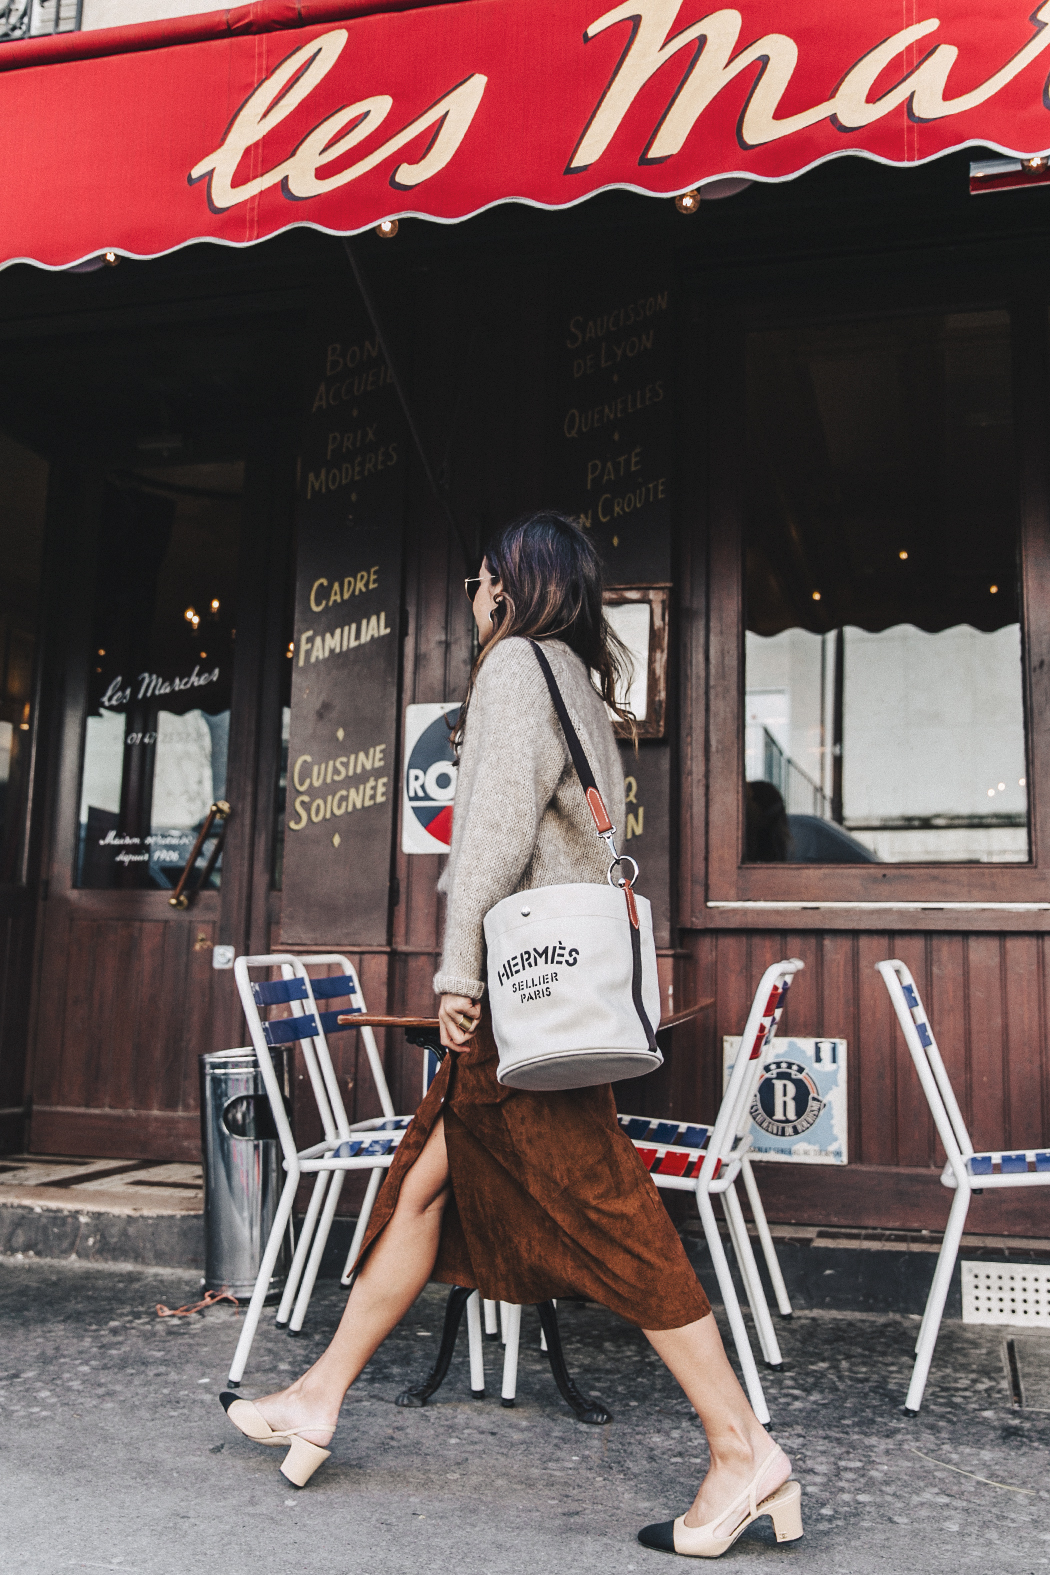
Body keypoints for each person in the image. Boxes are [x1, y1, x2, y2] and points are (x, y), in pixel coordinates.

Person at [220, 511, 803, 1558]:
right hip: (552, 998)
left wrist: (454, 977)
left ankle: (741, 1449)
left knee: (612, 1212)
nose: (472, 598)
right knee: (423, 1184)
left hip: (512, 1003)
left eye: (479, 583)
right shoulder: (579, 681)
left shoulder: (511, 671)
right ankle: (317, 1397)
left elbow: (488, 832)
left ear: (505, 588)